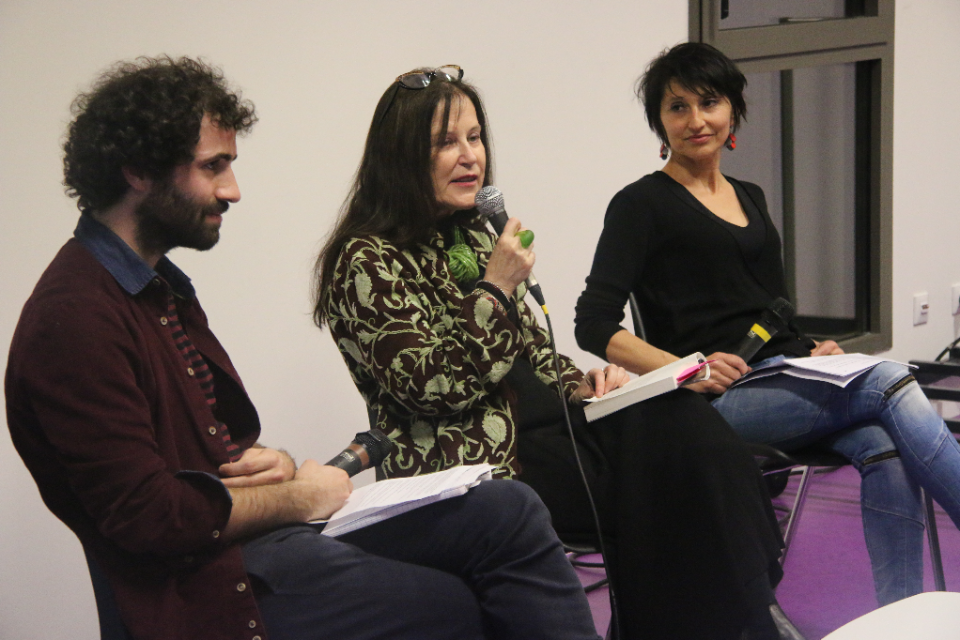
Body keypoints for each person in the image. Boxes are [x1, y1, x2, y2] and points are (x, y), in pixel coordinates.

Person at [5, 56, 603, 640]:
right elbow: (149, 517)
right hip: (211, 582)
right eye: (213, 166)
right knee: (450, 600)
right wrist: (296, 496)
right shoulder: (75, 319)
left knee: (507, 511)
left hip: (257, 542)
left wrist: (277, 469)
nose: (232, 189)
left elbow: (205, 462)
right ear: (139, 170)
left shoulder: (154, 289)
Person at [314, 65, 803, 640]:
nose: (470, 156)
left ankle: (743, 608)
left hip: (555, 424)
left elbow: (537, 357)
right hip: (475, 456)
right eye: (446, 142)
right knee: (664, 482)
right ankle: (745, 614)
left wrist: (586, 383)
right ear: (400, 158)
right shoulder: (366, 260)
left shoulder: (476, 233)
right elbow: (432, 387)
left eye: (475, 138)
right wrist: (495, 288)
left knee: (681, 420)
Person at [574, 41, 960, 608]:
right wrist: (689, 368)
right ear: (659, 120)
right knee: (886, 382)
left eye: (709, 102)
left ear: (732, 109)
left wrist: (814, 349)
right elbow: (593, 323)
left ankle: (899, 615)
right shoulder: (640, 205)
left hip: (786, 375)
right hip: (713, 400)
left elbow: (766, 309)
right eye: (677, 106)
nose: (696, 119)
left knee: (884, 449)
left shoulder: (750, 196)